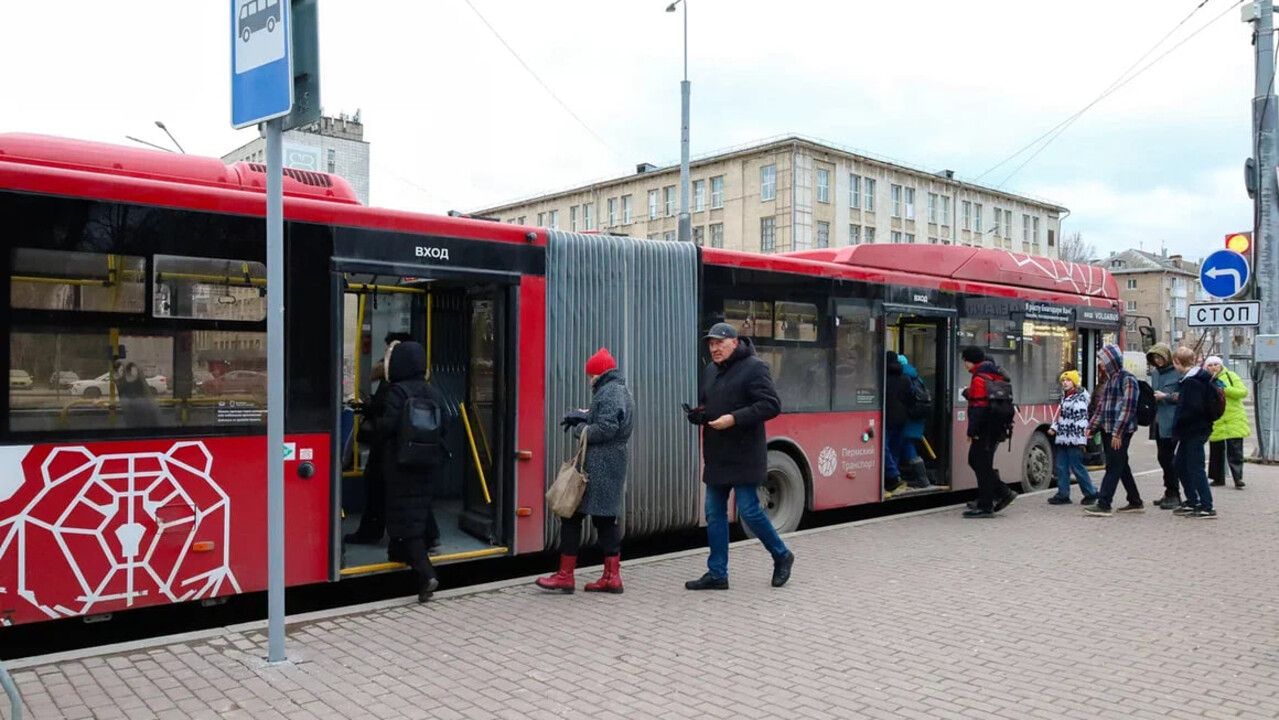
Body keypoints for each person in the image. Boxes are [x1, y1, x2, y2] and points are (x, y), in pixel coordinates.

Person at [684, 323, 795, 590]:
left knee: (749, 511)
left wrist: (734, 419)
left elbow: (771, 405)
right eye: (711, 344)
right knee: (714, 512)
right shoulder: (710, 371)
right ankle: (717, 573)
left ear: (734, 342)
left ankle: (782, 555)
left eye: (719, 343)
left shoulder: (755, 367)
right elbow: (712, 405)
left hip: (745, 454)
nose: (714, 349)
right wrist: (699, 415)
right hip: (718, 454)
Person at [536, 347, 634, 594]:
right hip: (606, 465)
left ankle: (566, 576)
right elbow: (605, 418)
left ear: (599, 372)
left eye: (591, 374)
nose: (590, 379)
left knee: (574, 516)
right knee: (602, 521)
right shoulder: (617, 390)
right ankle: (610, 577)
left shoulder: (610, 392)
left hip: (600, 467)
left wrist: (581, 429)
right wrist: (583, 415)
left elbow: (607, 428)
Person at [377, 340, 450, 602]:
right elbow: (445, 426)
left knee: (406, 521)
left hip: (401, 466)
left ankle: (426, 573)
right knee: (414, 512)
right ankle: (398, 554)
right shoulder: (433, 392)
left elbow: (386, 427)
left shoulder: (397, 392)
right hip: (428, 465)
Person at [1084, 344, 1145, 516]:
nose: (1101, 364)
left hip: (1120, 431)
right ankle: (1135, 501)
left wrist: (1118, 432)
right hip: (1107, 429)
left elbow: (1128, 408)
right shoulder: (1110, 379)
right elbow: (1102, 408)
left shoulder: (1128, 379)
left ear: (1112, 361)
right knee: (1121, 465)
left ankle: (1104, 503)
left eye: (1103, 361)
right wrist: (1091, 427)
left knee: (1113, 466)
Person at [959, 346, 1017, 518]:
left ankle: (990, 502)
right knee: (980, 463)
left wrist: (972, 432)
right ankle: (993, 496)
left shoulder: (978, 378)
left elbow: (978, 408)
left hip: (984, 429)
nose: (964, 365)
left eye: (965, 361)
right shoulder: (994, 374)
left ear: (971, 361)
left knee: (979, 463)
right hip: (995, 427)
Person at [1171, 347, 1217, 518]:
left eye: (1174, 362)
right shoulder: (1198, 378)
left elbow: (1192, 408)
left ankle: (1206, 505)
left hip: (1193, 430)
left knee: (1195, 467)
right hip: (1195, 429)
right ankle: (1192, 500)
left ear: (1178, 362)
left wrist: (1179, 424)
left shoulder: (1191, 382)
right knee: (1180, 464)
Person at [1046, 370, 1098, 505]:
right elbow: (1062, 417)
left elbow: (1081, 421)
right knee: (1061, 466)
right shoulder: (1065, 397)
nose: (1065, 383)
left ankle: (1091, 492)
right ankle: (1063, 494)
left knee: (1076, 467)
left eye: (1068, 380)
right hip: (1063, 437)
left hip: (1074, 439)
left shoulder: (1080, 398)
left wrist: (1081, 440)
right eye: (1063, 381)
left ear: (1074, 382)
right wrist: (1054, 428)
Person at [1147, 343, 1184, 510]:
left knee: (1168, 458)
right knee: (1162, 457)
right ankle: (1169, 491)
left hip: (1172, 421)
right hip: (1158, 421)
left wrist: (1166, 396)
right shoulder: (1155, 374)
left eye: (1160, 357)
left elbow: (1183, 396)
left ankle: (1174, 493)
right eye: (1155, 358)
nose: (1157, 360)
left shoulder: (1177, 373)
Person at [1205, 356, 1248, 490]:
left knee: (1235, 450)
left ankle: (1238, 478)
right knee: (1216, 451)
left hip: (1234, 418)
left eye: (1216, 364)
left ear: (1221, 366)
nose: (1213, 367)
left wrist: (1225, 389)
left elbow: (1243, 392)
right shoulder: (1205, 379)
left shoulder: (1231, 376)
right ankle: (1217, 479)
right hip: (1216, 419)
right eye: (1210, 365)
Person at [882, 351, 916, 495]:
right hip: (901, 419)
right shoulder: (905, 379)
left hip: (886, 417)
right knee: (895, 448)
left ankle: (892, 475)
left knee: (884, 446)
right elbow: (911, 398)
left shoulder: (882, 378)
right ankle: (893, 480)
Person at [896, 354, 931, 489]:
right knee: (906, 444)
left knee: (905, 445)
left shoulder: (902, 376)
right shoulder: (916, 376)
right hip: (917, 416)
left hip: (908, 417)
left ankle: (921, 479)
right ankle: (915, 477)